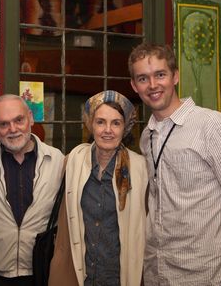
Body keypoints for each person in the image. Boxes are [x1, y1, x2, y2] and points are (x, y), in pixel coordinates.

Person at [128, 43, 221, 285]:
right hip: (160, 273)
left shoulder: (214, 127)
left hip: (210, 274)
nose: (152, 85)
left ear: (175, 76)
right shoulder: (148, 136)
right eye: (143, 78)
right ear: (134, 86)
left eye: (160, 75)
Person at [49, 90, 148, 286]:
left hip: (118, 277)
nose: (107, 130)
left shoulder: (141, 169)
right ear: (90, 125)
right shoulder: (73, 162)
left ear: (125, 127)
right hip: (78, 275)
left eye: (116, 123)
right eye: (101, 122)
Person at [0, 94, 65, 285]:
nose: (13, 129)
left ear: (31, 118)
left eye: (19, 120)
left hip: (40, 269)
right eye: (3, 124)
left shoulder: (58, 160)